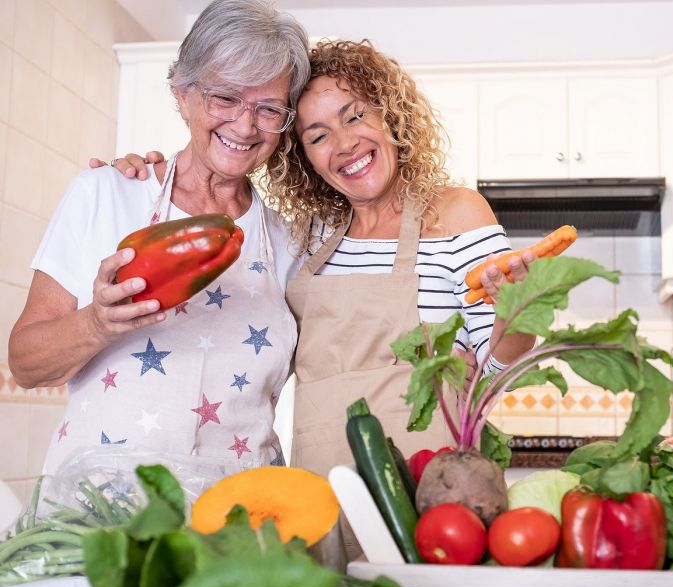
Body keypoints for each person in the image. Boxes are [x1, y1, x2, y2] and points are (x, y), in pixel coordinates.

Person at [102, 39, 537, 477]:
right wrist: (148, 174)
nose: (345, 144)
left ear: (389, 115)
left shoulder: (456, 213)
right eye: (318, 136)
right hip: (323, 489)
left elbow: (500, 371)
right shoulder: (305, 238)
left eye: (355, 116)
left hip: (436, 487)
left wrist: (515, 309)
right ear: (304, 158)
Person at [8, 0, 311, 475]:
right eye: (225, 97)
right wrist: (97, 324)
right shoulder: (105, 194)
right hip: (102, 518)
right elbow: (25, 366)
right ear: (182, 93)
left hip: (236, 524)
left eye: (268, 108)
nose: (245, 125)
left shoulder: (293, 244)